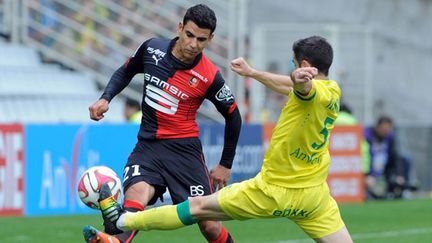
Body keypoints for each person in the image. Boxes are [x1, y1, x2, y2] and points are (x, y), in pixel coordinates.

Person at [84, 36, 354, 243]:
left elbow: (302, 87)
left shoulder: (308, 89)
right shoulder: (332, 90)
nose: (291, 70)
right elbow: (293, 85)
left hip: (274, 191)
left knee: (198, 209)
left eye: (294, 65)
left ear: (305, 67)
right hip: (314, 195)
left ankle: (122, 221)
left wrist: (299, 81)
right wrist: (253, 73)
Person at [86, 4, 241, 243]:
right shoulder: (151, 49)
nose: (193, 44)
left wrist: (225, 164)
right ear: (180, 28)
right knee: (135, 200)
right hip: (147, 147)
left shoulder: (209, 75)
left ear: (210, 39)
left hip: (184, 152)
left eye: (201, 39)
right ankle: (114, 240)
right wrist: (106, 97)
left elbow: (233, 116)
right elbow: (125, 71)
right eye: (189, 35)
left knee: (209, 226)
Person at [364, 116, 409, 199]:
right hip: (369, 174)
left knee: (406, 159)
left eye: (388, 129)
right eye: (384, 129)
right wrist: (367, 175)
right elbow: (364, 158)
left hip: (384, 172)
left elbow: (395, 156)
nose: (386, 132)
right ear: (378, 126)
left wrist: (399, 175)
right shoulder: (366, 136)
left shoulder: (389, 138)